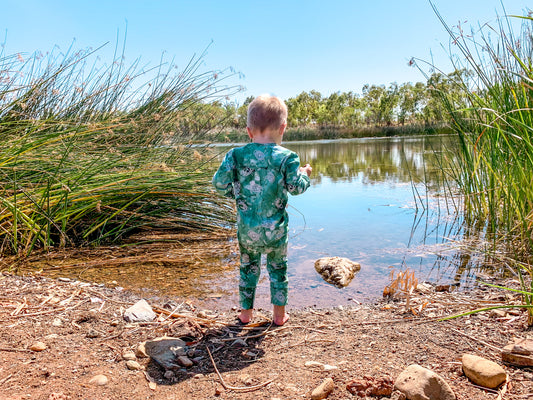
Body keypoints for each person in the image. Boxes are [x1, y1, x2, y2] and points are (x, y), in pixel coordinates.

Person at [212, 95, 312, 326]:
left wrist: (238, 196)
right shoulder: (287, 157)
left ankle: (245, 315)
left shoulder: (235, 156)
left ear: (248, 131)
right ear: (283, 128)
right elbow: (295, 188)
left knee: (248, 268)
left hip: (248, 230)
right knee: (278, 269)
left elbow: (218, 184)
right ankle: (279, 316)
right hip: (276, 231)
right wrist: (305, 175)